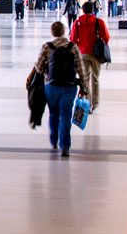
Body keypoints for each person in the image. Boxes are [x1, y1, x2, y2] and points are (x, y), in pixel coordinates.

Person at [34, 21, 88, 157]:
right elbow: (81, 70)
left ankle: (54, 141)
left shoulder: (47, 47)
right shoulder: (73, 47)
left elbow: (39, 68)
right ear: (64, 31)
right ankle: (65, 146)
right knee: (66, 115)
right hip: (69, 87)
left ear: (52, 32)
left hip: (51, 86)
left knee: (53, 114)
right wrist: (84, 87)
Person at [70, 2, 110, 113]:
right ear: (93, 10)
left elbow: (72, 39)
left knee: (85, 79)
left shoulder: (77, 23)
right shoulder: (99, 22)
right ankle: (94, 104)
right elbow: (106, 37)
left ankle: (87, 103)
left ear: (82, 10)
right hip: (96, 55)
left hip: (82, 54)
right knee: (95, 79)